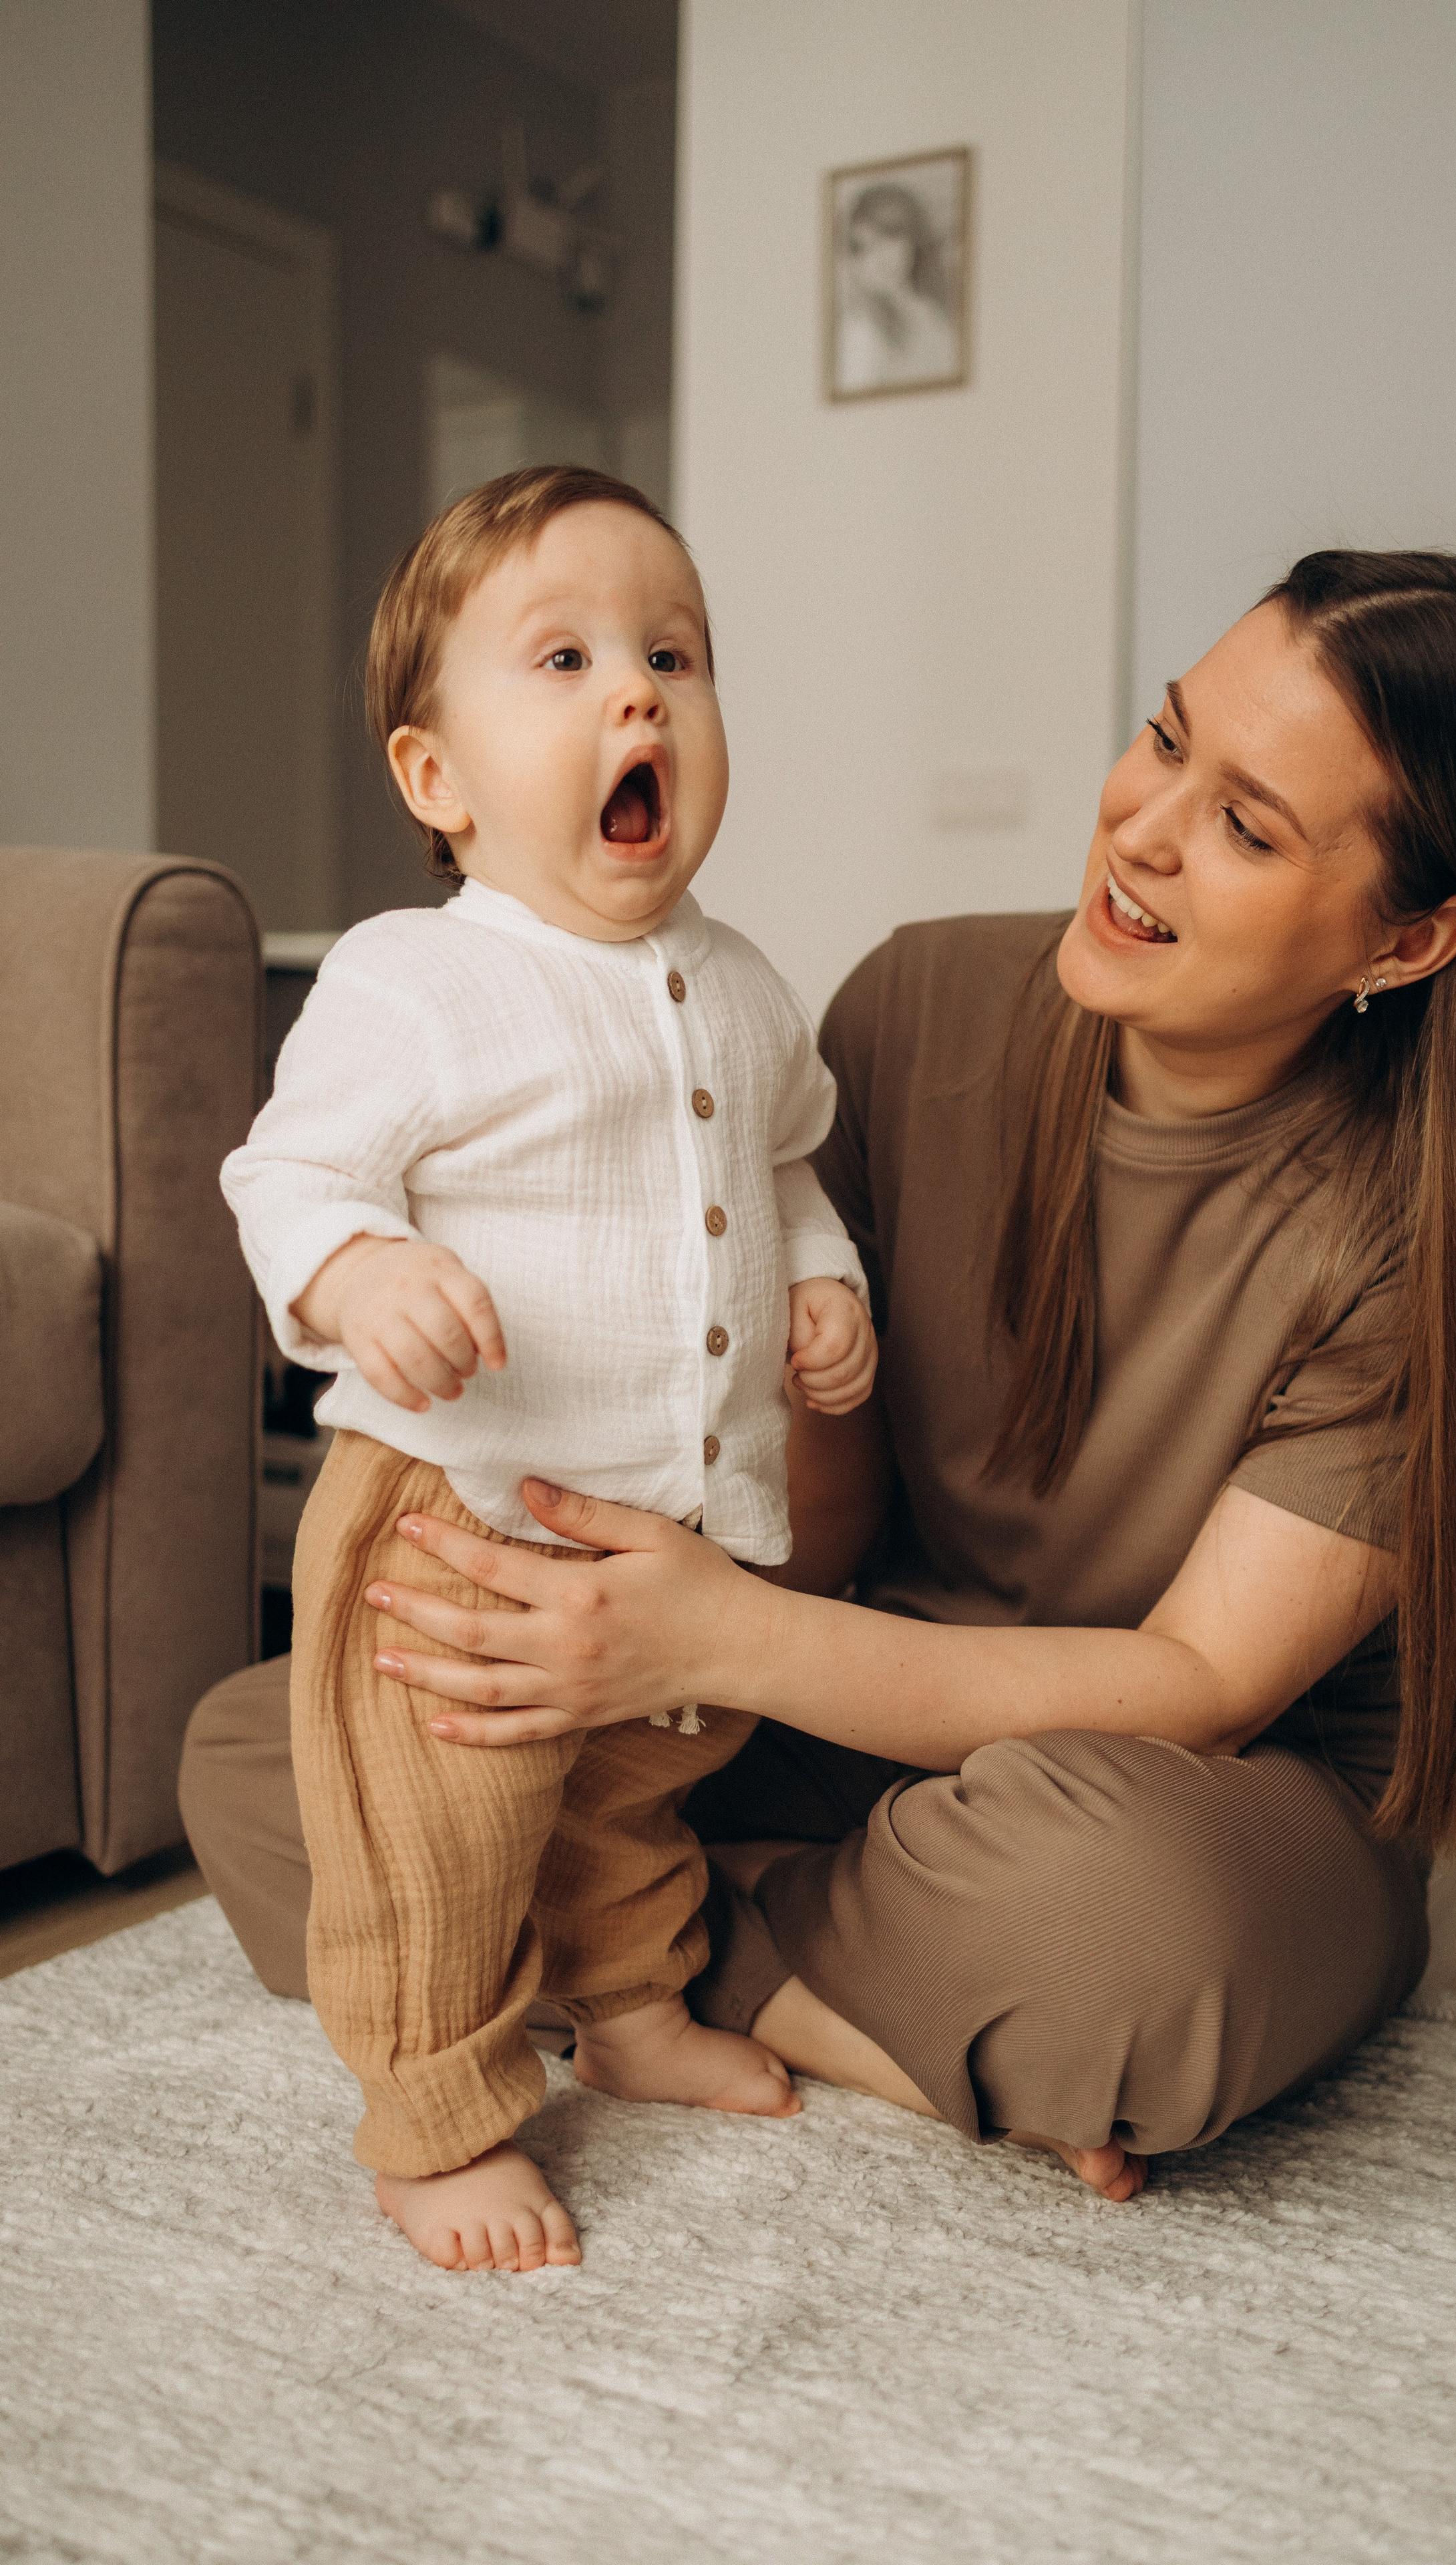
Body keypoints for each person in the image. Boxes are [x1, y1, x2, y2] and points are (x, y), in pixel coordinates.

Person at [184, 549, 1456, 2228]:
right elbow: (815, 1521)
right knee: (280, 1750)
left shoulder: (1418, 1238)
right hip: (856, 1687)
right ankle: (833, 1993)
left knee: (1138, 1943)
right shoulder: (915, 999)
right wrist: (602, 1663)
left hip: (1183, 1785)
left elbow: (1200, 1680)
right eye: (1162, 739)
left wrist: (704, 1640)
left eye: (1245, 825)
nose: (1141, 829)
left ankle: (666, 1953)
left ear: (1409, 934)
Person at [218, 465, 876, 2276]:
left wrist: (825, 1286)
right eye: (567, 657)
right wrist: (359, 1276)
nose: (638, 695)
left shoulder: (744, 987)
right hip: (460, 1522)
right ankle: (436, 2118)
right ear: (438, 779)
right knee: (443, 1834)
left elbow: (785, 1171)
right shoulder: (419, 980)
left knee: (625, 1804)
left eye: (675, 652)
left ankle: (633, 2009)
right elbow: (287, 1174)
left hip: (668, 1537)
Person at [836, 180, 960, 393]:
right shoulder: (861, 331)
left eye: (889, 238)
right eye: (863, 247)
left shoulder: (936, 312)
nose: (878, 258)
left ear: (914, 241)